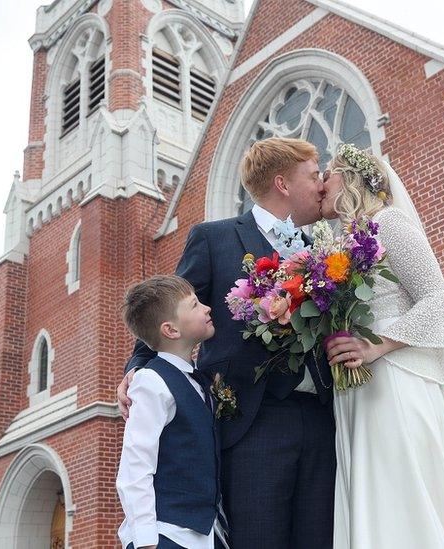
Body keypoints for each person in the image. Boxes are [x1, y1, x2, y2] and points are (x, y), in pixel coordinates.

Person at [117, 138, 335, 549]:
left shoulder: (319, 251)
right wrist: (135, 368)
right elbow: (171, 308)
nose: (322, 184)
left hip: (322, 418)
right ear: (283, 184)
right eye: (313, 175)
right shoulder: (214, 239)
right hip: (253, 421)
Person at [321, 144, 444, 548]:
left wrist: (378, 346)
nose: (322, 181)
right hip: (359, 383)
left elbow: (435, 297)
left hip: (396, 375)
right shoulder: (343, 242)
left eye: (329, 173)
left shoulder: (390, 223)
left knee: (405, 479)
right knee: (376, 481)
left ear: (351, 179)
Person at [116, 275, 221, 549]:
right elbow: (136, 465)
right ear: (171, 330)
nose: (207, 308)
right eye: (195, 305)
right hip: (166, 536)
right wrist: (146, 540)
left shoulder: (199, 380)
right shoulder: (151, 381)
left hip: (203, 535)